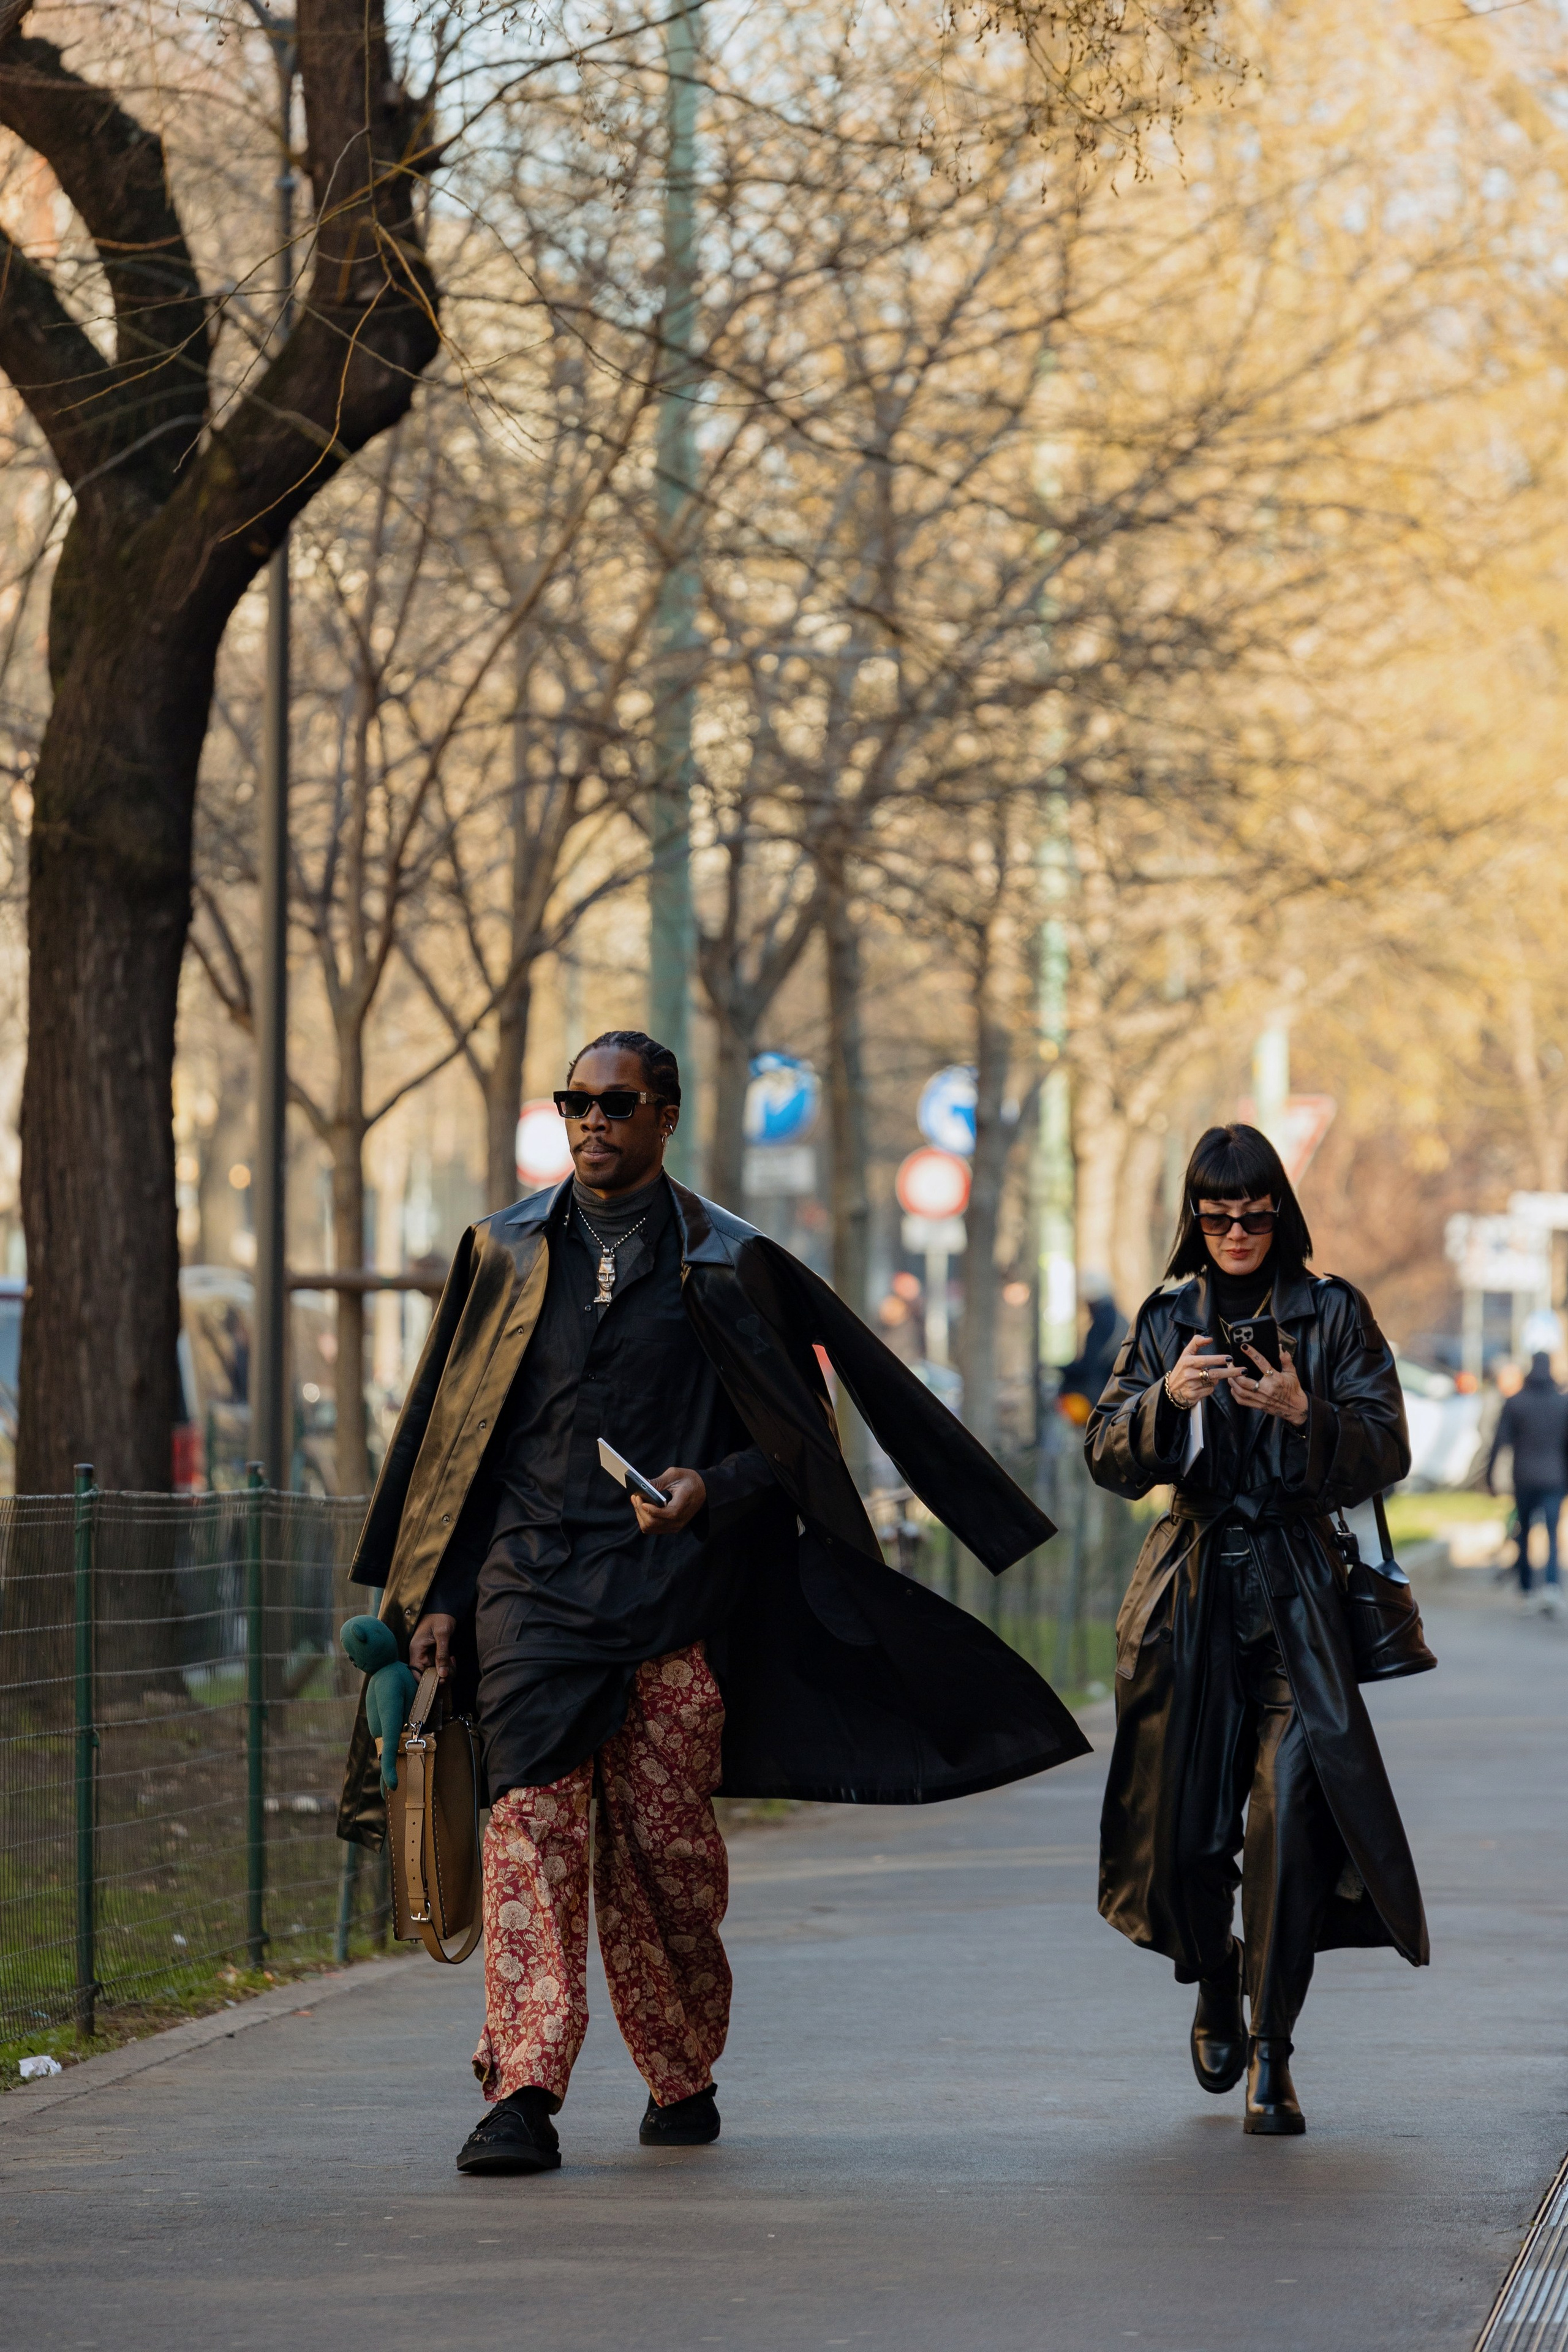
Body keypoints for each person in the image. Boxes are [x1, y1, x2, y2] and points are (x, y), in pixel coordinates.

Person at [337, 1030, 1088, 2176]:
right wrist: (434, 1592)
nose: (592, 1121)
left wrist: (708, 1487)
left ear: (664, 1115)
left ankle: (680, 2069)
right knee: (528, 1835)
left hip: (676, 1602)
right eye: (575, 1102)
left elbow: (792, 1446)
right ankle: (523, 2089)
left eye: (616, 1103)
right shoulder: (501, 1252)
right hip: (529, 1596)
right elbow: (457, 1449)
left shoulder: (728, 1264)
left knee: (664, 1863)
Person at [1085, 1122, 1427, 2137]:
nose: (1237, 1231)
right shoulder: (1162, 1318)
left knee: (1288, 1820)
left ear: (1281, 1212)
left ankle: (1273, 2052)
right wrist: (1162, 1402)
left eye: (1256, 1213)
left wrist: (1301, 1410)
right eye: (1218, 1214)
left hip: (1295, 1597)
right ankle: (1214, 1970)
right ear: (1195, 1218)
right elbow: (1108, 1454)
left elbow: (1388, 1447)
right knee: (1182, 1835)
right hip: (1186, 1596)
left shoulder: (1331, 1312)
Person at [1485, 1351, 1568, 1615]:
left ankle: (1527, 1588)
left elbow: (1499, 1443)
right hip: (1556, 1478)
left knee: (1525, 1533)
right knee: (1553, 1534)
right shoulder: (1562, 1404)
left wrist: (1490, 1477)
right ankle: (1552, 1587)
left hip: (1524, 1477)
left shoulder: (1515, 1402)